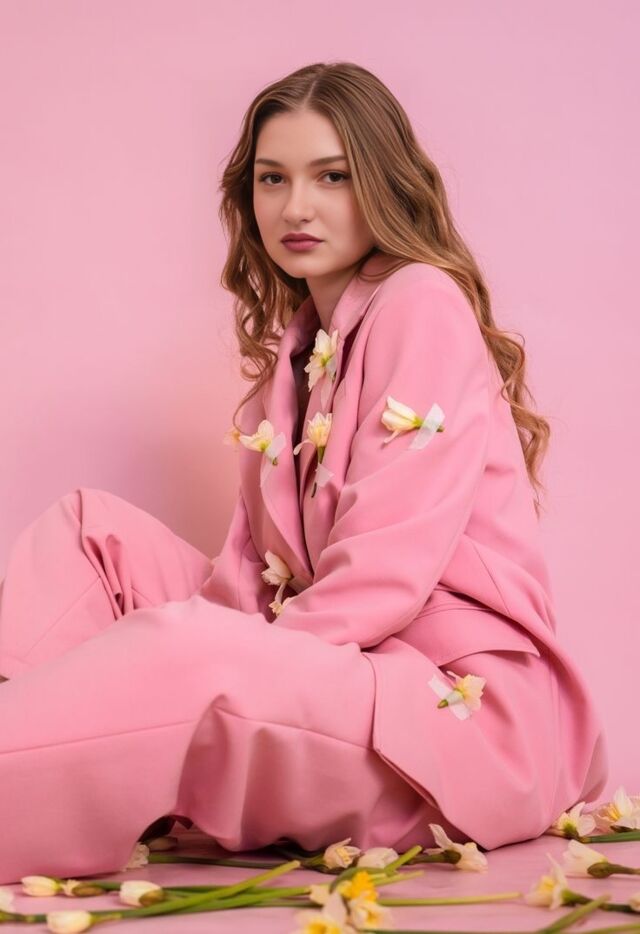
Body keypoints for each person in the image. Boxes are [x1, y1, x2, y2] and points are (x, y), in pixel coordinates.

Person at [0, 61, 607, 886]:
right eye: (272, 179)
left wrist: (227, 663)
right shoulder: (293, 359)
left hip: (442, 715)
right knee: (91, 532)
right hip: (330, 664)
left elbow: (382, 578)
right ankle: (60, 754)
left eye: (332, 176)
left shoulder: (420, 301)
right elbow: (247, 581)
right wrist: (220, 652)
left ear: (383, 183)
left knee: (186, 652)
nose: (296, 207)